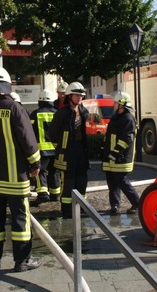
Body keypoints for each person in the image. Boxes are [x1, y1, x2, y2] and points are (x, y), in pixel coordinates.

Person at [0, 66, 42, 272]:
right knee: (20, 220)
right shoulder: (14, 108)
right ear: (5, 85)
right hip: (15, 179)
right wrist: (35, 163)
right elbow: (28, 142)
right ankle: (22, 261)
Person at [49, 81, 91, 219]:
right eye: (77, 95)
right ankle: (67, 210)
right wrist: (61, 148)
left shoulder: (84, 112)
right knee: (68, 182)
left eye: (81, 95)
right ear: (69, 96)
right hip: (67, 153)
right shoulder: (62, 113)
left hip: (81, 151)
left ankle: (81, 208)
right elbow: (53, 134)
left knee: (82, 180)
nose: (80, 98)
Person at [101, 91, 141, 215]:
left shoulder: (128, 118)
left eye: (115, 103)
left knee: (122, 181)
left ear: (122, 105)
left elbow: (126, 139)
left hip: (120, 157)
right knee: (112, 182)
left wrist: (115, 153)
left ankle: (137, 203)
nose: (113, 105)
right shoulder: (116, 117)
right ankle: (115, 205)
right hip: (111, 157)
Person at [29, 89, 60, 204]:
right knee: (54, 171)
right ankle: (55, 194)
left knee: (40, 171)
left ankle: (42, 194)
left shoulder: (35, 114)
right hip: (56, 149)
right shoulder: (58, 112)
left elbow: (30, 131)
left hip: (42, 149)